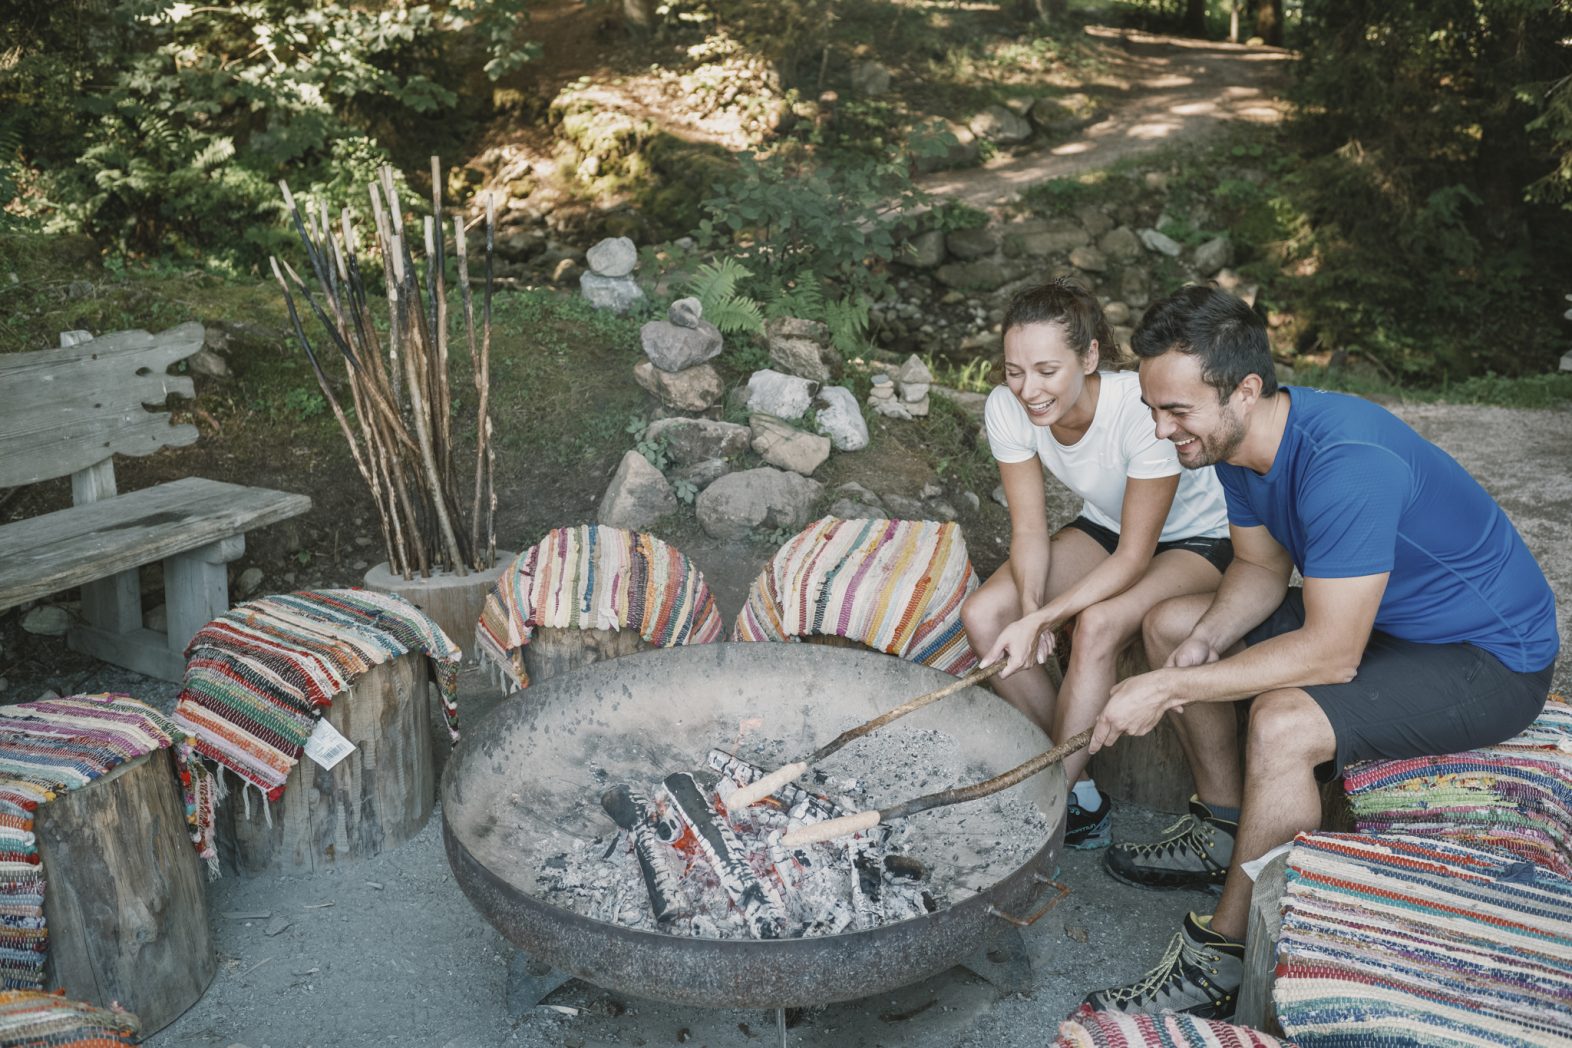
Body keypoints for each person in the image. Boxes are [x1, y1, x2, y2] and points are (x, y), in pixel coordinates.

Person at [1079, 285, 1559, 1019]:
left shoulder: (1347, 461)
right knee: (1175, 625)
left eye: (1176, 410)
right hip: (1388, 625)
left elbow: (1333, 654)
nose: (1160, 428)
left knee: (1283, 722)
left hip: (1488, 657)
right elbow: (1260, 570)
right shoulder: (1238, 445)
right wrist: (1202, 646)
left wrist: (1169, 691)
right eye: (1151, 408)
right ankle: (1223, 827)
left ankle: (1223, 956)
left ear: (1245, 388)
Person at [961, 279, 1234, 850]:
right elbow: (1030, 529)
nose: (1028, 389)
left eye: (1045, 370)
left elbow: (1137, 555)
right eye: (1014, 371)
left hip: (1195, 538)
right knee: (988, 614)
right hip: (1108, 525)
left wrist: (1048, 618)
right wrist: (1032, 611)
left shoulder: (1137, 407)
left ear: (1088, 357)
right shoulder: (1005, 408)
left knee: (1098, 625)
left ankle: (1043, 809)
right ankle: (1077, 789)